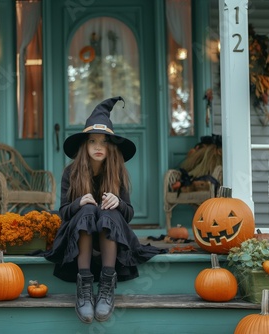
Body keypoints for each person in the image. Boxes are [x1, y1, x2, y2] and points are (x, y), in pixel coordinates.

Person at [44, 96, 165, 324]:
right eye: (92, 141)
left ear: (111, 147)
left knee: (109, 213)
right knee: (87, 211)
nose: (98, 147)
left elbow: (128, 214)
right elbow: (62, 213)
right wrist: (78, 203)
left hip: (110, 238)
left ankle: (107, 286)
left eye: (103, 142)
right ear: (84, 145)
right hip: (79, 238)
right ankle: (85, 288)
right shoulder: (71, 173)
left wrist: (118, 203)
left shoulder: (117, 172)